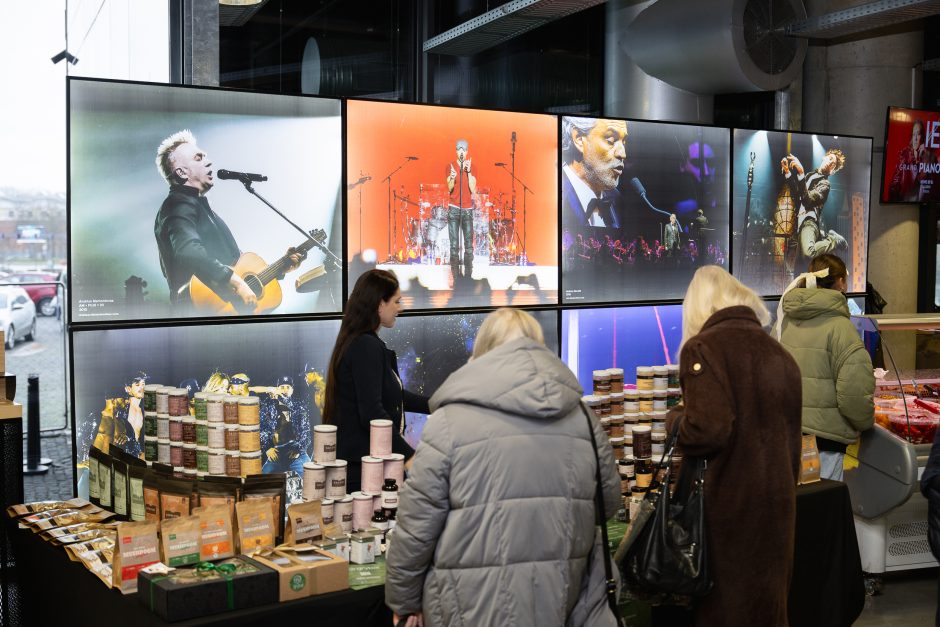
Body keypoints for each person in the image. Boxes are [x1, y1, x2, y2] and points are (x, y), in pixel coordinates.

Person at [386, 308, 621, 627]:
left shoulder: (449, 422)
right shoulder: (583, 418)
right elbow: (608, 504)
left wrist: (403, 602)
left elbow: (416, 525)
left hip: (468, 609)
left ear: (482, 351)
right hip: (561, 604)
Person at [665, 266, 802, 626]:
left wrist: (676, 419)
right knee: (768, 611)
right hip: (778, 513)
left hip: (727, 517)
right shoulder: (779, 354)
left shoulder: (703, 348)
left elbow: (708, 429)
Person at [153, 130, 303, 310]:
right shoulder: (177, 204)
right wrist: (238, 284)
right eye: (198, 158)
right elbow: (188, 251)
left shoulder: (202, 210)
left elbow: (237, 269)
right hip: (198, 318)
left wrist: (281, 268)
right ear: (182, 172)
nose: (208, 161)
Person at [323, 269, 429, 492]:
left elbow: (394, 397)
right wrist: (410, 457)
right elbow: (373, 412)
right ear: (380, 304)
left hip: (362, 468)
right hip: (363, 473)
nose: (400, 308)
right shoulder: (365, 346)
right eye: (396, 301)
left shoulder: (362, 343)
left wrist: (437, 403)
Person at [776, 253, 874, 481]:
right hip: (824, 444)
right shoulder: (842, 328)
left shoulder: (786, 318)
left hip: (786, 433)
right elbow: (854, 395)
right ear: (840, 281)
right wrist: (866, 422)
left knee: (796, 507)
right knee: (821, 508)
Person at [780, 148, 848, 259]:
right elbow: (798, 196)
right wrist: (788, 173)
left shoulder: (825, 184)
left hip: (810, 222)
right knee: (792, 263)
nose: (831, 163)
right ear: (824, 157)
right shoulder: (810, 176)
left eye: (833, 165)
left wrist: (801, 173)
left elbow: (808, 201)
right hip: (799, 225)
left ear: (833, 171)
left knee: (809, 252)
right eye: (830, 159)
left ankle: (834, 241)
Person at [561, 117, 627, 229]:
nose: (623, 154)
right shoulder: (553, 191)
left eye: (624, 142)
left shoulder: (617, 198)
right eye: (611, 140)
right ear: (579, 139)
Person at [260, 375, 312, 476]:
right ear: (277, 389)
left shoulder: (299, 405)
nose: (285, 390)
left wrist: (299, 449)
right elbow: (263, 428)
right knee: (262, 479)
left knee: (311, 476)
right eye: (282, 387)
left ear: (292, 389)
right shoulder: (268, 405)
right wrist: (267, 448)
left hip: (296, 451)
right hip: (277, 452)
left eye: (288, 387)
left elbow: (305, 431)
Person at [446, 139, 476, 279]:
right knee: (454, 246)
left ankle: (468, 279)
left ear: (467, 151)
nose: (461, 151)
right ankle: (456, 279)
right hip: (453, 209)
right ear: (456, 151)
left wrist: (469, 172)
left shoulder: (472, 167)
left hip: (467, 210)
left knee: (469, 246)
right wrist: (452, 178)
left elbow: (472, 188)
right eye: (459, 149)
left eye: (464, 149)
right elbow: (450, 187)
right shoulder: (450, 166)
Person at [889, 119, 935, 202]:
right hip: (902, 203)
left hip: (923, 203)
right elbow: (894, 185)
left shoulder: (929, 157)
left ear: (923, 137)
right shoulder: (904, 156)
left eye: (918, 134)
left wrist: (925, 161)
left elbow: (932, 189)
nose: (915, 138)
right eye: (914, 135)